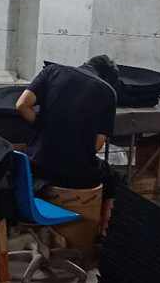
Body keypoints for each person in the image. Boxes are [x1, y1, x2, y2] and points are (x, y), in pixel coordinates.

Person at [15, 55, 120, 231]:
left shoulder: (52, 71)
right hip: (75, 175)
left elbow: (21, 105)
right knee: (112, 176)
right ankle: (103, 230)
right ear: (108, 78)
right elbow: (97, 145)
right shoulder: (108, 92)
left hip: (36, 167)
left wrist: (44, 127)